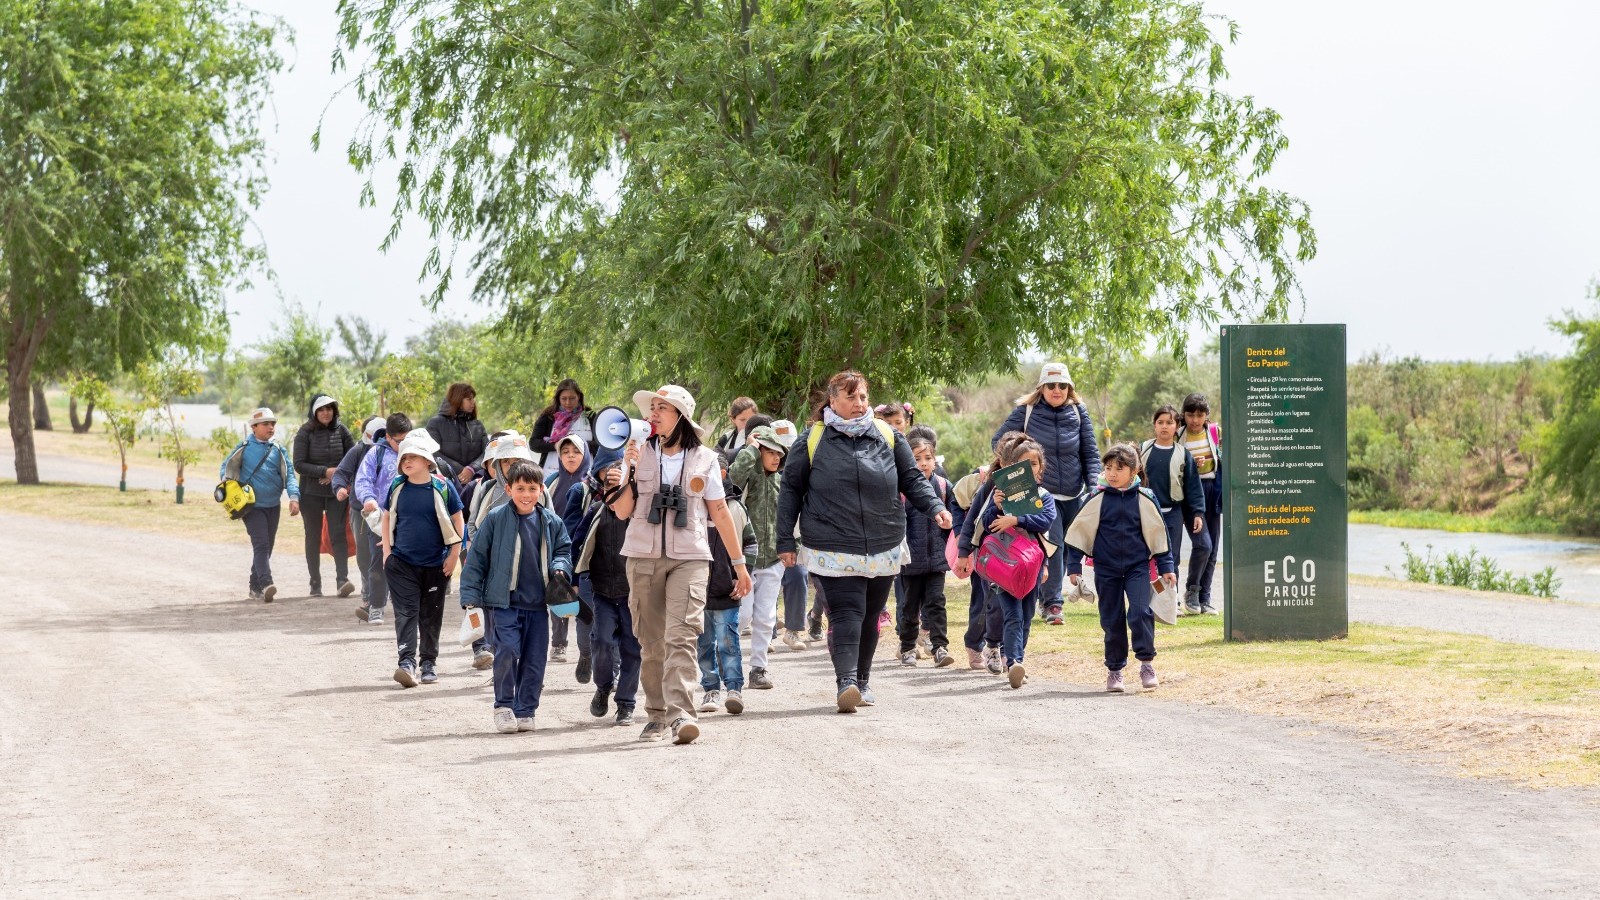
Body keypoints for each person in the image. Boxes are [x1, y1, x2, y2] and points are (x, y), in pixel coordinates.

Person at [775, 371, 950, 713]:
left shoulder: (888, 435)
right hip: (831, 543)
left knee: (870, 616)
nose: (859, 403)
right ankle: (846, 682)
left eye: (863, 397)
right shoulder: (812, 439)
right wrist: (785, 540)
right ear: (833, 400)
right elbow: (791, 490)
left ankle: (863, 681)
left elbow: (912, 479)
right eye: (851, 397)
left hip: (883, 542)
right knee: (847, 613)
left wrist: (935, 507)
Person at [609, 384, 752, 746]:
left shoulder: (705, 458)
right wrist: (628, 467)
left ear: (681, 417)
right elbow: (622, 511)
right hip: (642, 557)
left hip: (690, 558)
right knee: (652, 642)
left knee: (682, 636)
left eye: (662, 408)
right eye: (652, 407)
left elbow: (720, 512)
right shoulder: (637, 452)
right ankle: (656, 715)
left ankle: (681, 716)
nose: (653, 414)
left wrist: (739, 564)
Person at [459, 459, 573, 733]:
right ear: (509, 489)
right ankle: (504, 706)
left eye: (532, 488)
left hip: (538, 605)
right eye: (520, 488)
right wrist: (471, 598)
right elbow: (476, 559)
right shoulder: (495, 519)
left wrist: (560, 568)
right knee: (507, 651)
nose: (526, 495)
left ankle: (526, 710)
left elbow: (563, 550)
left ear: (541, 490)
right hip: (504, 603)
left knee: (535, 659)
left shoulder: (551, 521)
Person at [991, 361, 1101, 626]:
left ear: (1069, 388)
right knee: (1055, 544)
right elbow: (999, 442)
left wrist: (1094, 486)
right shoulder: (1026, 412)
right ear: (1041, 388)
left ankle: (1043, 595)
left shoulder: (1078, 412)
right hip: (1042, 494)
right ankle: (1053, 604)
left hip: (1074, 493)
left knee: (1067, 548)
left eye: (1062, 385)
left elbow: (1090, 453)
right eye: (1051, 385)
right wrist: (1019, 473)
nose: (1057, 390)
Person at [1065, 443, 1175, 693]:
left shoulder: (1145, 497)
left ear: (1134, 471)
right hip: (1106, 569)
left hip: (1138, 567)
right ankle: (1115, 670)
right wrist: (1073, 566)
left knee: (1140, 612)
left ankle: (1146, 664)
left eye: (1119, 468)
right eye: (1108, 467)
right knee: (1112, 619)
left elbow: (1160, 534)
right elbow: (1079, 532)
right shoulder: (1096, 498)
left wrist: (1167, 566)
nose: (1112, 473)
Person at [955, 432, 1058, 689]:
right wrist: (997, 508)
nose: (1028, 469)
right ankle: (1013, 662)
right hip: (1003, 566)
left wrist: (1017, 520)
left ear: (1040, 468)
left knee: (1027, 615)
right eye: (1022, 464)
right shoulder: (996, 493)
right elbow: (984, 524)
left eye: (1033, 464)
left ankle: (1016, 657)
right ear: (1011, 467)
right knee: (1010, 613)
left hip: (1032, 566)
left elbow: (1046, 521)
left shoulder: (1044, 495)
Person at [379, 431, 465, 688]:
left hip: (436, 564)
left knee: (431, 615)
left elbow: (458, 519)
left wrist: (454, 555)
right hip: (401, 563)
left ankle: (429, 663)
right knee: (406, 612)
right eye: (404, 457)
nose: (407, 461)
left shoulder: (443, 486)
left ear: (428, 461)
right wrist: (387, 554)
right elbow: (386, 516)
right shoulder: (397, 486)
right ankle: (406, 663)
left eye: (413, 457)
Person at [572, 447, 639, 726]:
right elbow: (578, 546)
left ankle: (626, 704)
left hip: (634, 594)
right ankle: (603, 686)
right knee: (600, 641)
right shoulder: (595, 512)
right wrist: (574, 581)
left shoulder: (639, 515)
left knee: (632, 648)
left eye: (619, 486)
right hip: (602, 593)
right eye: (610, 486)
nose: (614, 493)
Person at [219, 408, 300, 601]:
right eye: (266, 424)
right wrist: (229, 487)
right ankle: (266, 583)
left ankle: (254, 587)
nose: (270, 427)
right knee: (261, 544)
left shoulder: (279, 450)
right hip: (251, 507)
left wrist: (294, 497)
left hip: (273, 505)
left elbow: (289, 474)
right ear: (254, 427)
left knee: (268, 546)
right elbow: (226, 468)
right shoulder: (244, 447)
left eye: (273, 424)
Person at [729, 424, 788, 688]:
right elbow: (733, 478)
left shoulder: (781, 482)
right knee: (742, 615)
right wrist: (750, 448)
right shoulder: (746, 478)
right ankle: (725, 662)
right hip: (745, 560)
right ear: (759, 451)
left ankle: (758, 669)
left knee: (765, 618)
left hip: (773, 560)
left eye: (779, 453)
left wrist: (792, 546)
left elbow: (790, 517)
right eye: (770, 451)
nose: (776, 457)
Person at [1140, 405, 1211, 617]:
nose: (1164, 426)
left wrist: (1198, 513)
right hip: (1145, 512)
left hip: (1172, 512)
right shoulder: (1143, 450)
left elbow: (1193, 487)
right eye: (1160, 422)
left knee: (1172, 557)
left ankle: (1172, 601)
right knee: (1144, 557)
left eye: (1169, 422)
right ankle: (1144, 598)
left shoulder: (1183, 454)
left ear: (1177, 426)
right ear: (1154, 425)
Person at [697, 483, 758, 716]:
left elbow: (751, 544)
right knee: (704, 644)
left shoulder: (734, 508)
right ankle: (711, 689)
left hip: (727, 590)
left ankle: (734, 689)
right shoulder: (692, 505)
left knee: (728, 642)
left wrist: (741, 575)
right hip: (698, 591)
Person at [897, 435, 956, 668]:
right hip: (910, 560)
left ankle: (940, 647)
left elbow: (955, 518)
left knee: (936, 603)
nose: (923, 463)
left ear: (934, 460)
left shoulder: (943, 486)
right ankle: (907, 647)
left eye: (928, 458)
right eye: (917, 459)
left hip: (937, 560)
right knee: (909, 607)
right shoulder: (902, 489)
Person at [292, 394, 356, 598]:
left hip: (337, 491)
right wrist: (324, 471)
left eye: (329, 408)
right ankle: (315, 582)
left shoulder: (342, 430)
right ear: (314, 412)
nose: (326, 412)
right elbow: (298, 464)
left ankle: (342, 580)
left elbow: (353, 457)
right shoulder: (305, 432)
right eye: (321, 409)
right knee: (313, 535)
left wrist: (336, 474)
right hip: (310, 493)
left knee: (338, 533)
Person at [353, 413, 413, 625]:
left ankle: (406, 608)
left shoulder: (415, 453)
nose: (403, 445)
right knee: (379, 562)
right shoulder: (375, 454)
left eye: (406, 439)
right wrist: (368, 499)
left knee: (409, 564)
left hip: (409, 519)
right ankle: (376, 607)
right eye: (399, 441)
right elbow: (363, 480)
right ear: (388, 437)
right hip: (380, 520)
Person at [543, 434, 594, 673]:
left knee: (586, 597)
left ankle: (588, 647)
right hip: (558, 547)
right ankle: (559, 643)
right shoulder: (551, 481)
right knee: (559, 591)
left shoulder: (593, 482)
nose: (570, 456)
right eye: (565, 452)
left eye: (576, 452)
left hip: (585, 548)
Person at [951, 465, 1003, 672]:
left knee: (1008, 606)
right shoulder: (983, 480)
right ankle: (974, 644)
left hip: (1015, 553)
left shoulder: (1031, 483)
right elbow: (961, 507)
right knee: (983, 602)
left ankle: (1006, 651)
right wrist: (960, 539)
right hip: (984, 551)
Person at [1181, 392, 1224, 614]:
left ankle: (1205, 598)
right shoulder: (1178, 436)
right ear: (1184, 415)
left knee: (1213, 548)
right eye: (1190, 415)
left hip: (1213, 491)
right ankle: (1192, 592)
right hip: (1190, 495)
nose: (1195, 420)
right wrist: (1190, 464)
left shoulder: (1215, 432)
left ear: (1207, 415)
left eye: (1200, 415)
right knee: (1203, 544)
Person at [333, 415, 383, 604]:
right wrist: (339, 488)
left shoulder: (395, 452)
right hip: (360, 511)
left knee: (387, 552)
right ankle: (369, 592)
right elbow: (341, 473)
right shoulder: (358, 450)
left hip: (386, 510)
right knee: (364, 554)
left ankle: (386, 591)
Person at [426, 382, 489, 485]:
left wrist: (471, 469)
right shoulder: (436, 423)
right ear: (458, 400)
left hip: (474, 484)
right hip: (445, 483)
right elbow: (433, 452)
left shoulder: (478, 426)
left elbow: (488, 451)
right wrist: (460, 471)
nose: (473, 402)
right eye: (469, 399)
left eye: (473, 399)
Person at [529, 378, 597, 470]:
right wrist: (556, 445)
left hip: (585, 472)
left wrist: (578, 445)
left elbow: (601, 445)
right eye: (564, 399)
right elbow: (534, 444)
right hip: (551, 472)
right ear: (558, 398)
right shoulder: (548, 416)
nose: (568, 402)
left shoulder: (590, 416)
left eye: (572, 398)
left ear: (579, 396)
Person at [714, 396, 759, 466]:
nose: (747, 423)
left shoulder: (763, 437)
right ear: (733, 419)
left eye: (751, 419)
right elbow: (716, 458)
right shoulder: (726, 439)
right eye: (742, 420)